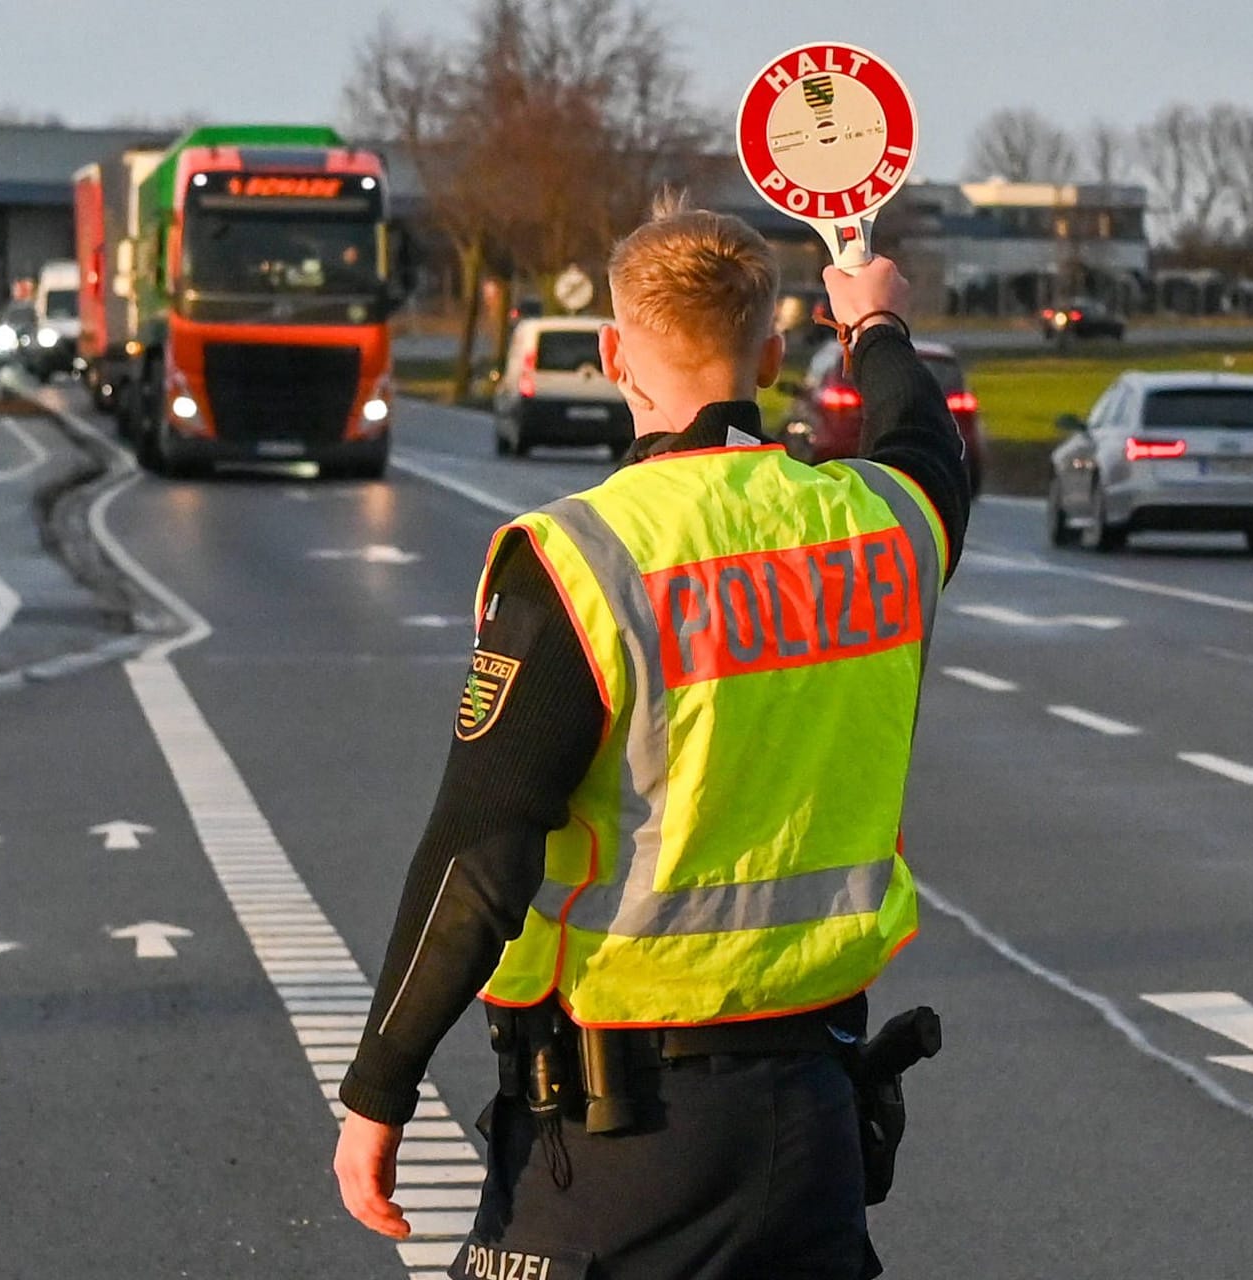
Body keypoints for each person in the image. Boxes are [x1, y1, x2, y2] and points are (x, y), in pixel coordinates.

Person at [334, 194, 971, 1280]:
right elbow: (927, 450)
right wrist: (876, 325)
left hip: (616, 1139)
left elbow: (479, 854)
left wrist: (379, 1088)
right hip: (813, 1124)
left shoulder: (582, 558)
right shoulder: (882, 526)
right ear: (772, 353)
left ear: (611, 353)